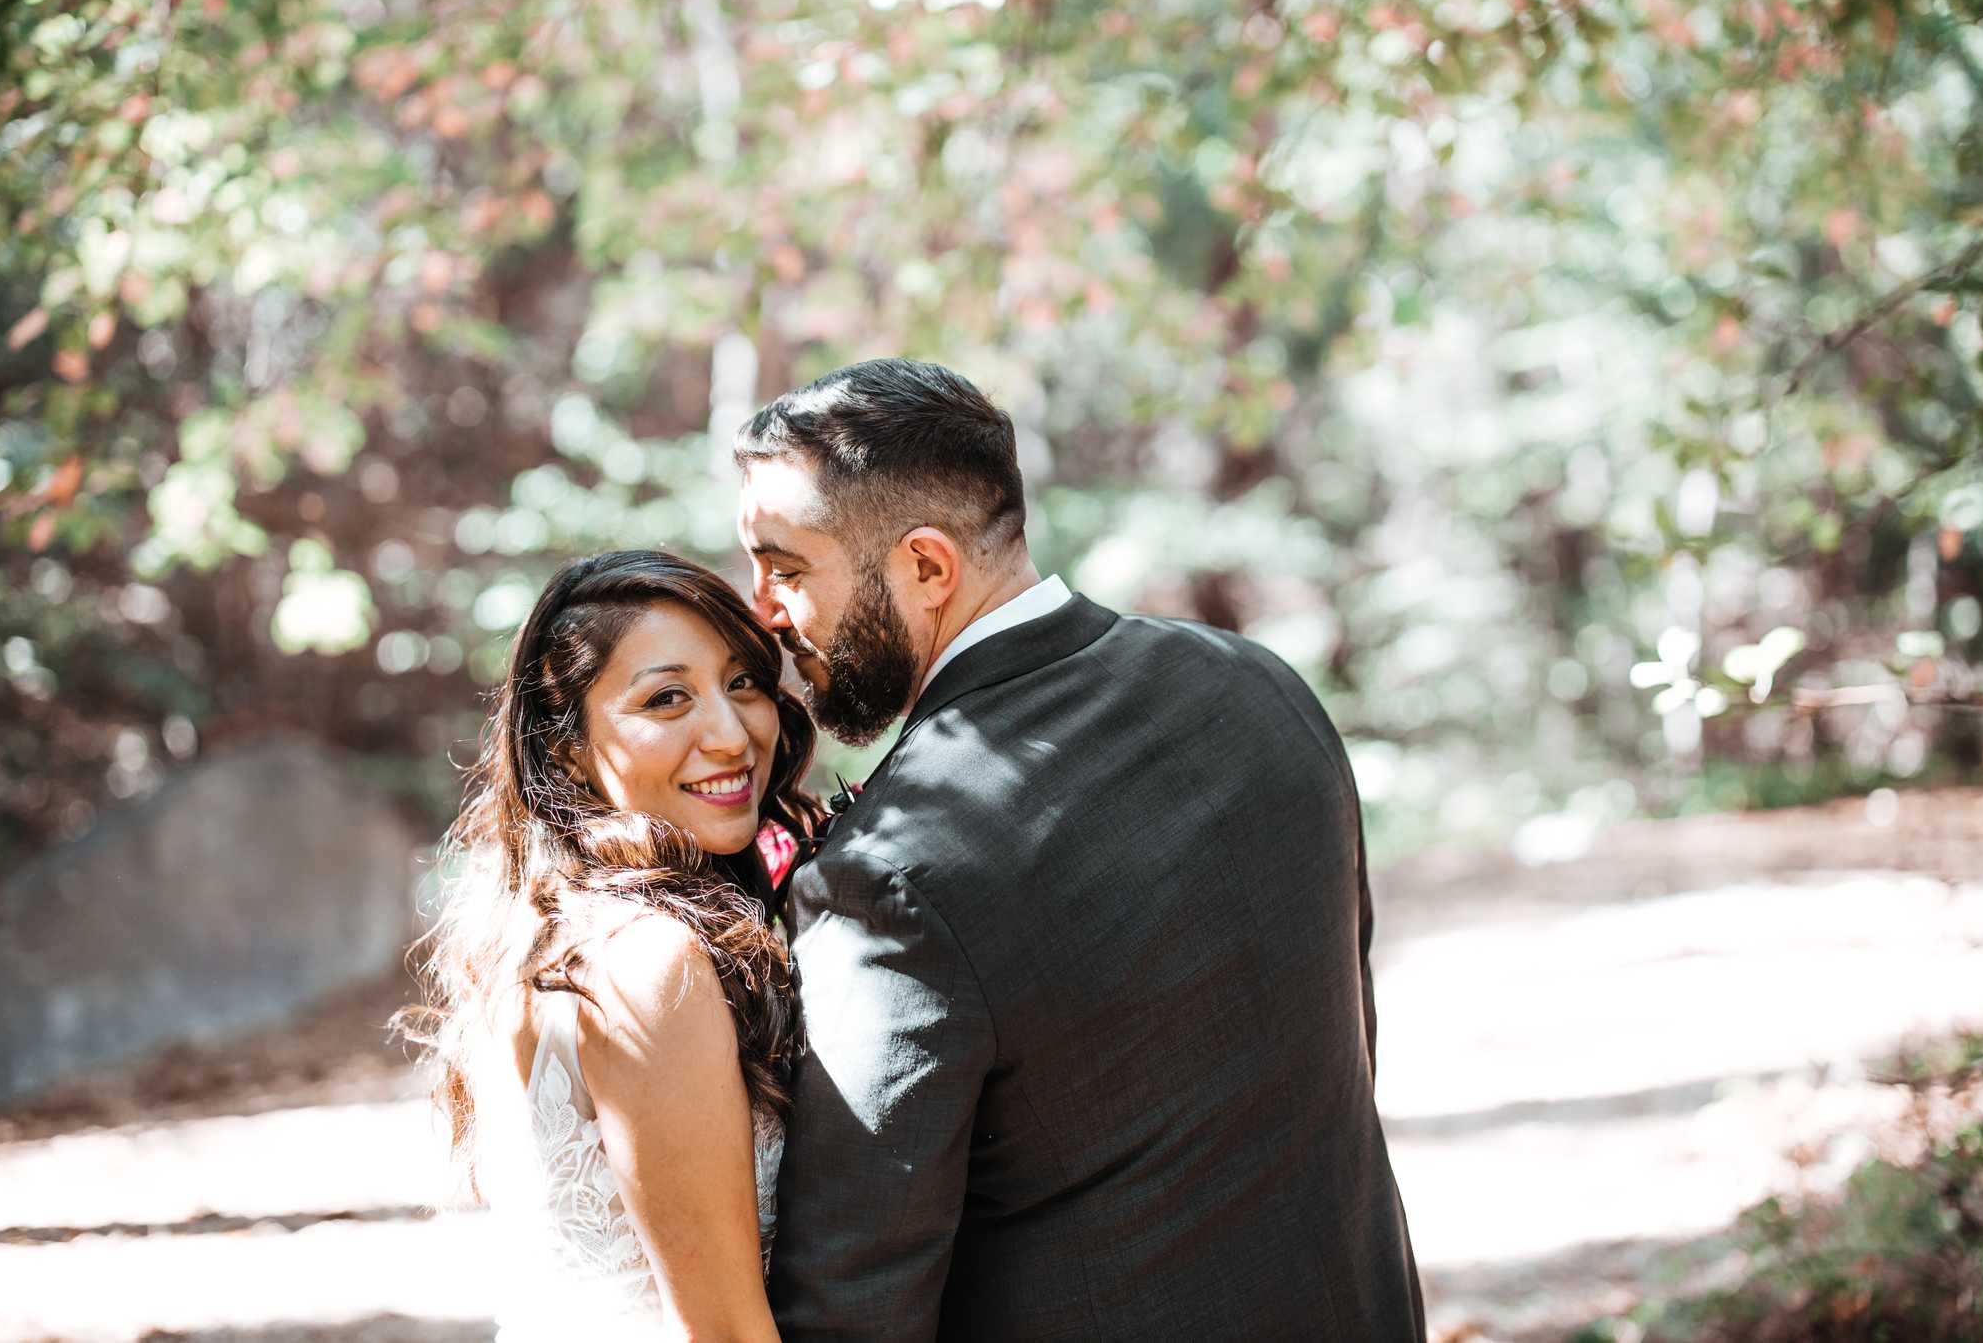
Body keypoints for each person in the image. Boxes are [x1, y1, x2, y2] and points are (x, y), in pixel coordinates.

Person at [736, 358, 1426, 1340]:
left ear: (926, 568)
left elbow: (856, 1296)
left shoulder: (889, 868)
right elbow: (1338, 1051)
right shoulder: (1259, 689)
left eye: (787, 566)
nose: (761, 608)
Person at [404, 550, 821, 1341]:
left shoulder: (538, 925)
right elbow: (723, 1331)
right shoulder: (645, 961)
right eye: (667, 699)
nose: (731, 734)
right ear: (566, 747)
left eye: (743, 683)